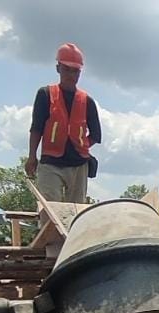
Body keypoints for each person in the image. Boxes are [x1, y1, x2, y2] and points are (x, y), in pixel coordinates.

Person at [26, 43, 102, 204]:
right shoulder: (46, 94)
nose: (71, 74)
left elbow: (96, 134)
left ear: (80, 72)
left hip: (78, 164)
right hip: (51, 162)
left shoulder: (87, 101)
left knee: (75, 211)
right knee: (50, 209)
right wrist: (32, 156)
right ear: (58, 68)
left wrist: (81, 144)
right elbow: (36, 128)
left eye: (75, 71)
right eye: (67, 69)